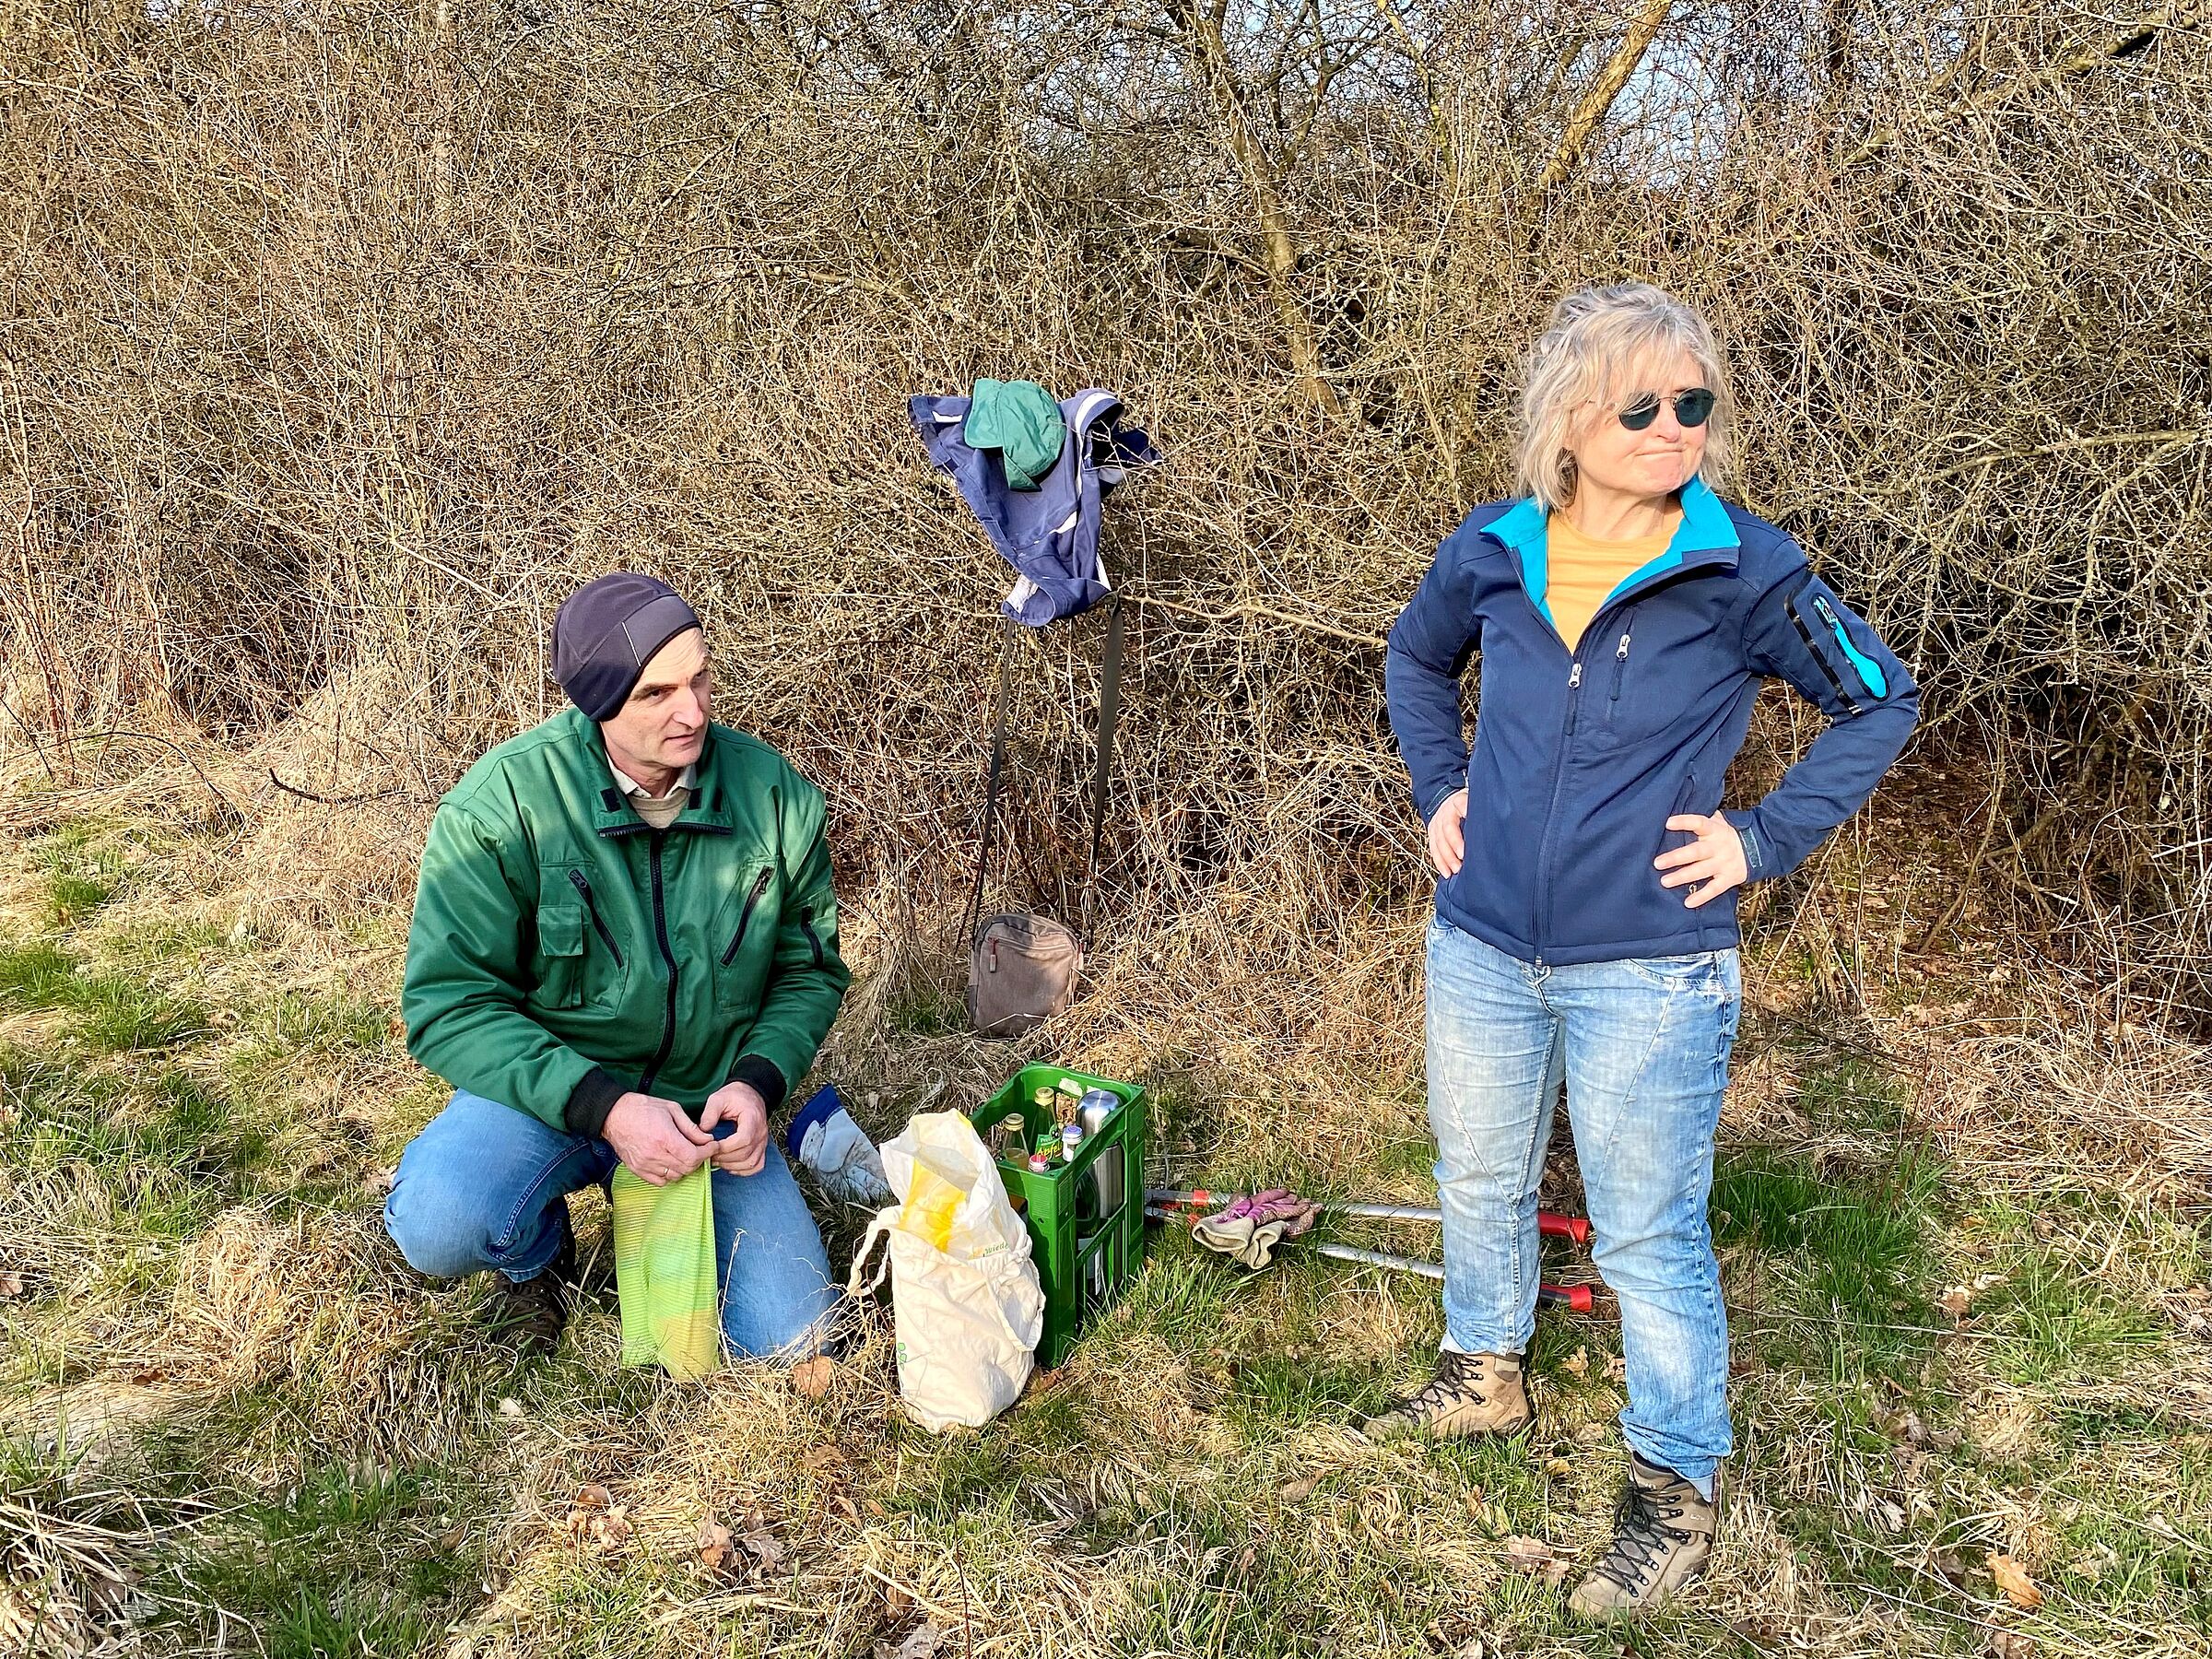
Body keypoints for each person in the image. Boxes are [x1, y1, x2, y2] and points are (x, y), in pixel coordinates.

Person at [1375, 284, 1918, 1615]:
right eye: (1644, 405)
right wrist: (1437, 788)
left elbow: (1879, 697)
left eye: (1696, 403)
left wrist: (1763, 839)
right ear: (1569, 419)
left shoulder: (1746, 570)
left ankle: (1674, 1484)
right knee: (1481, 1173)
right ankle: (1483, 1372)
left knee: (1646, 1237)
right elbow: (1411, 658)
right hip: (1484, 942)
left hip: (1653, 971)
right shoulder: (1495, 550)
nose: (1676, 427)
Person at [384, 572, 849, 1362]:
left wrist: (759, 1083)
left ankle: (683, 1210)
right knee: (439, 1223)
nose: (694, 711)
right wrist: (604, 1107)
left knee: (795, 1342)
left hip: (704, 1109)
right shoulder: (502, 807)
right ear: (600, 704)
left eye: (701, 677)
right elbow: (447, 1006)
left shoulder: (776, 798)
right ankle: (536, 1255)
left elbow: (808, 970)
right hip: (556, 1091)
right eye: (658, 693)